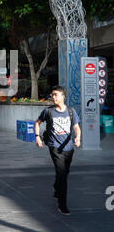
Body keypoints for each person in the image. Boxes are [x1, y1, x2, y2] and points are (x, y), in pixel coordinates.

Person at [35, 85, 81, 216]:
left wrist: (77, 138)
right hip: (54, 147)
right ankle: (62, 205)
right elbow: (37, 122)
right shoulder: (48, 111)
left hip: (69, 148)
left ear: (62, 96)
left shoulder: (71, 111)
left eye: (55, 94)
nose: (53, 97)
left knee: (65, 172)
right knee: (62, 175)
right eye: (52, 95)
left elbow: (76, 127)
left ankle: (56, 188)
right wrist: (37, 137)